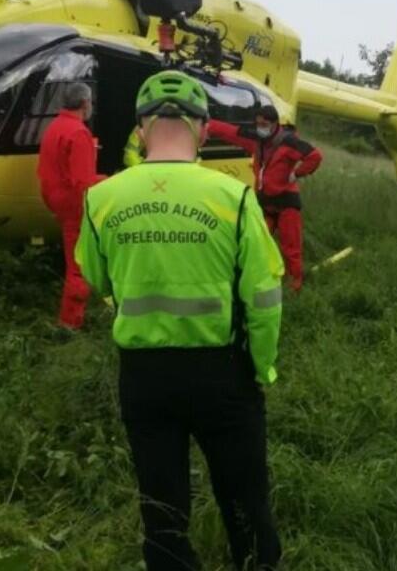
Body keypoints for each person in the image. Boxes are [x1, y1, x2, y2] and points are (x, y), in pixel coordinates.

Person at [76, 70, 285, 570]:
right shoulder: (233, 198)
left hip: (145, 377)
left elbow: (98, 283)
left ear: (141, 130)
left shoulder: (101, 198)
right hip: (225, 374)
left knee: (163, 510)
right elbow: (263, 296)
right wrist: (262, 368)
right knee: (244, 504)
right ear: (205, 129)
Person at [208, 106, 322, 291]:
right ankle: (257, 278)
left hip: (286, 203)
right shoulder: (256, 140)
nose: (261, 127)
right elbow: (230, 131)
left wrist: (297, 173)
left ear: (275, 124)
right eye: (258, 124)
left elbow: (314, 156)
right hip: (264, 202)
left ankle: (295, 285)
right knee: (255, 242)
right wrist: (205, 123)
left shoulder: (289, 142)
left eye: (265, 124)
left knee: (290, 247)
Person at [37, 82, 104, 329]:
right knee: (77, 267)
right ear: (85, 103)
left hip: (55, 199)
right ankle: (69, 323)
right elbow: (83, 183)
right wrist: (112, 180)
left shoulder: (54, 126)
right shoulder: (79, 133)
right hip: (73, 205)